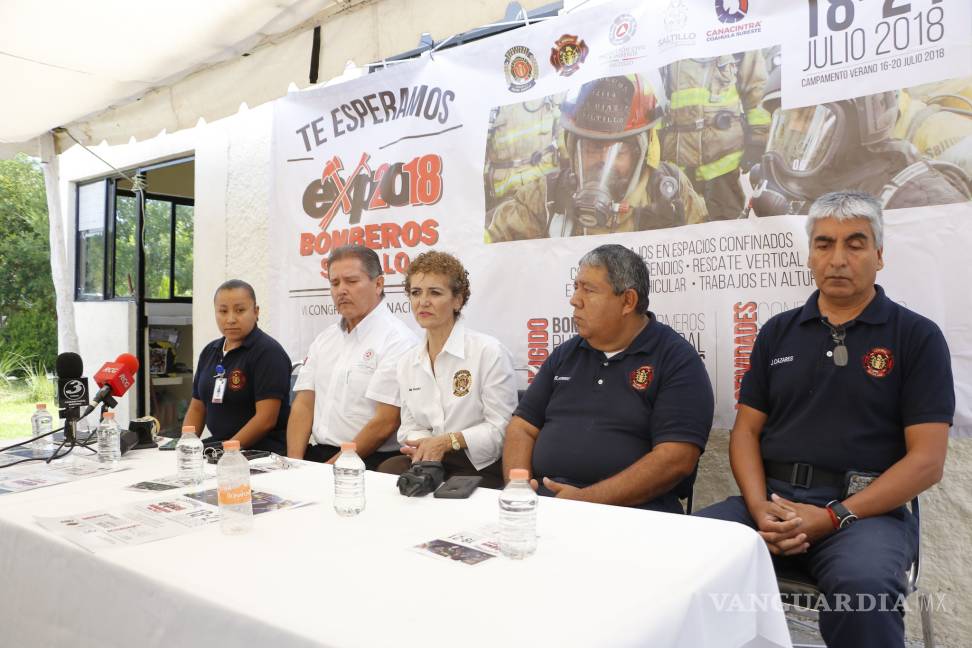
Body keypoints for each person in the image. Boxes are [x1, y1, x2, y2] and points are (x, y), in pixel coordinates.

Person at [695, 191, 954, 648]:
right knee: (682, 553)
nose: (837, 258)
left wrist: (834, 516)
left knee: (863, 592)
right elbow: (745, 433)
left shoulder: (916, 337)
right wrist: (758, 509)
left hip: (864, 515)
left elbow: (927, 463)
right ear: (810, 254)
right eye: (824, 244)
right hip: (772, 505)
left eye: (854, 244)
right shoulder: (777, 332)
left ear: (878, 255)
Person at [502, 244, 713, 513]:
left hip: (631, 512)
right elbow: (522, 426)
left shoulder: (676, 359)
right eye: (576, 287)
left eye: (588, 290)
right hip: (543, 504)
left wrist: (587, 500)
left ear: (628, 301)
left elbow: (676, 459)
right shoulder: (566, 354)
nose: (575, 299)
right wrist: (517, 487)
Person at [485, 74, 707, 243]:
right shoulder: (544, 199)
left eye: (617, 153)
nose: (603, 163)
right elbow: (487, 250)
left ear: (641, 153)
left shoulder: (671, 194)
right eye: (592, 149)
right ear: (574, 151)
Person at [376, 251, 517, 488]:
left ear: (458, 300)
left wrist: (449, 441)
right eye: (416, 293)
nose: (423, 302)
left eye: (435, 293)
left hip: (478, 462)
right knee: (386, 472)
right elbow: (409, 425)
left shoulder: (488, 352)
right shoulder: (406, 362)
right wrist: (426, 445)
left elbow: (501, 430)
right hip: (428, 459)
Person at [749, 67, 971, 216]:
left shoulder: (920, 203)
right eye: (784, 119)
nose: (794, 128)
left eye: (806, 115)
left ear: (864, 119)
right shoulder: (824, 184)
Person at [286, 245, 417, 469]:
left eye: (351, 281)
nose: (341, 290)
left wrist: (329, 469)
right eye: (335, 283)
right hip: (319, 456)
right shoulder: (325, 339)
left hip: (370, 461)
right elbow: (304, 404)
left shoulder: (398, 340)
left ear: (378, 284)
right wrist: (294, 465)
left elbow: (385, 422)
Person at [182, 279, 292, 454]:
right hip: (220, 447)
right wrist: (186, 445)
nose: (231, 319)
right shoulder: (210, 351)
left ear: (256, 312)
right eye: (223, 311)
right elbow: (197, 407)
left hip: (261, 451)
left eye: (240, 310)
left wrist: (228, 451)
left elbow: (266, 419)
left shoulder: (268, 353)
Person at [659, 51, 771, 219]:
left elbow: (756, 92)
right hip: (679, 168)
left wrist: (758, 141)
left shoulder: (736, 34)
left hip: (724, 169)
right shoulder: (671, 36)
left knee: (728, 235)